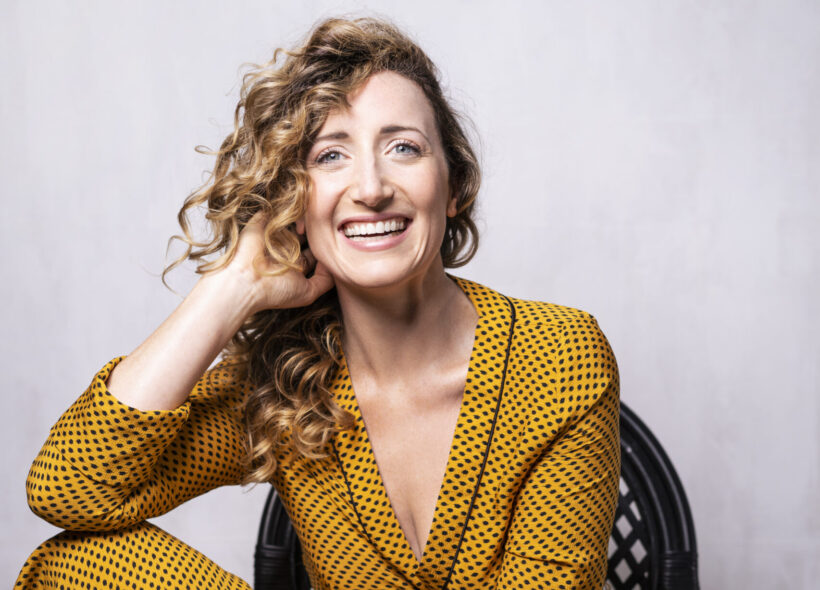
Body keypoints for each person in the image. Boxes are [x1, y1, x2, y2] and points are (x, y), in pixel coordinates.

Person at [16, 16, 620, 590]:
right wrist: (231, 289)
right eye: (331, 155)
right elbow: (72, 488)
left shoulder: (558, 356)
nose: (371, 187)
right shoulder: (286, 382)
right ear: (295, 205)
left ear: (455, 185)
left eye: (403, 147)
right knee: (78, 563)